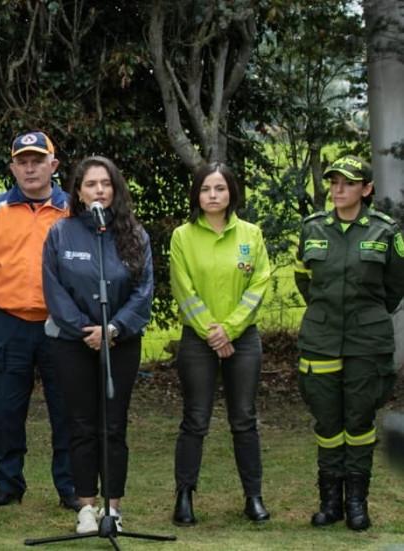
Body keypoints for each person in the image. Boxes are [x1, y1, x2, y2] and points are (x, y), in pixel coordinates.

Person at [41, 155, 153, 534]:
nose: (99, 190)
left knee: (114, 426)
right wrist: (84, 329)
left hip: (120, 342)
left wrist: (114, 328)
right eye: (91, 184)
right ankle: (86, 507)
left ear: (116, 188)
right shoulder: (61, 233)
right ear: (78, 191)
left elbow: (143, 290)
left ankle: (113, 508)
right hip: (74, 343)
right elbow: (53, 288)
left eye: (105, 183)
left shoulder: (135, 235)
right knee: (82, 424)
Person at [294, 154, 404, 531]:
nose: (338, 189)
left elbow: (395, 287)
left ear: (367, 189)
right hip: (321, 339)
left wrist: (363, 313)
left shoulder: (386, 232)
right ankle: (330, 502)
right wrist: (329, 312)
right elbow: (304, 280)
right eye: (334, 182)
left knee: (359, 423)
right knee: (327, 423)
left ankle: (357, 502)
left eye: (348, 183)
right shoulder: (312, 229)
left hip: (367, 341)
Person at [0, 131, 78, 510]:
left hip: (62, 326)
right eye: (23, 161)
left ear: (54, 165)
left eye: (38, 160)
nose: (30, 168)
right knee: (4, 408)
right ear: (13, 167)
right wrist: (11, 295)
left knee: (65, 409)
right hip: (10, 323)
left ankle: (70, 486)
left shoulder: (73, 210)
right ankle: (8, 483)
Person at [168, 163, 271, 526]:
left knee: (244, 419)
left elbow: (259, 285)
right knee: (195, 419)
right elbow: (183, 289)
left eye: (220, 189)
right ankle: (184, 497)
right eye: (206, 189)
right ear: (197, 194)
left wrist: (230, 329)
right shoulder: (182, 236)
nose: (213, 195)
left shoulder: (251, 234)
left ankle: (253, 497)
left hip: (243, 341)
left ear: (231, 193)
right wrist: (212, 332)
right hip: (198, 341)